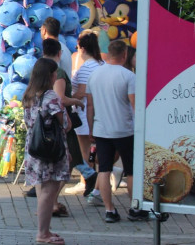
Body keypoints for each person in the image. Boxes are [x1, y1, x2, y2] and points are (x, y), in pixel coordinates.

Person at [86, 39, 139, 223]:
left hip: (101, 129)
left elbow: (90, 105)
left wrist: (91, 128)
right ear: (124, 55)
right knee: (131, 170)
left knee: (104, 169)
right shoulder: (129, 76)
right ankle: (134, 208)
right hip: (125, 129)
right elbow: (134, 104)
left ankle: (109, 210)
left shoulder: (94, 75)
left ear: (107, 54)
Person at [23, 58, 71, 245]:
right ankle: (42, 233)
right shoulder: (50, 96)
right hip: (49, 148)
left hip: (34, 146)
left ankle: (45, 230)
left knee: (43, 188)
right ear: (51, 75)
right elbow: (65, 124)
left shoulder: (29, 94)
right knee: (49, 191)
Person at [41, 38, 85, 217]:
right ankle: (50, 202)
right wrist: (76, 100)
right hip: (60, 123)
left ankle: (49, 202)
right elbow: (60, 100)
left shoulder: (39, 69)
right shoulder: (56, 72)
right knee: (67, 162)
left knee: (54, 166)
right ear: (59, 53)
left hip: (44, 125)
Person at [71, 30, 105, 203]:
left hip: (85, 116)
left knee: (87, 153)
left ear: (82, 48)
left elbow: (84, 91)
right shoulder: (103, 64)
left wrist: (69, 96)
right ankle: (96, 183)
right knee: (97, 153)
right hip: (101, 114)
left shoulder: (86, 67)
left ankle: (92, 184)